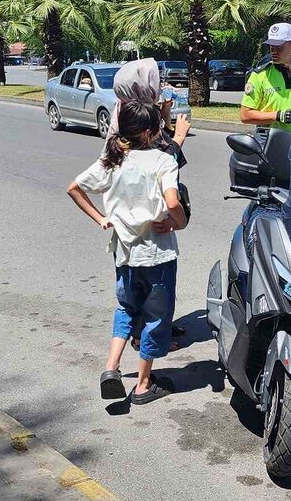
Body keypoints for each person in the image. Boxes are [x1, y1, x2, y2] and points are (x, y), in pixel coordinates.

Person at [66, 71, 187, 406]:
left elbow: (74, 188)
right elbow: (173, 202)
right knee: (154, 318)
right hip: (157, 256)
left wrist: (102, 218)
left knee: (126, 308)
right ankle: (144, 384)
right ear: (149, 132)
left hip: (124, 254)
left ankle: (111, 366)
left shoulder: (112, 159)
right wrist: (177, 223)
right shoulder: (163, 160)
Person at [240, 22, 291, 131]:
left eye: (279, 47)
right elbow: (245, 115)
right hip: (268, 143)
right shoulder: (259, 76)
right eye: (271, 47)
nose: (274, 51)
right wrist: (277, 116)